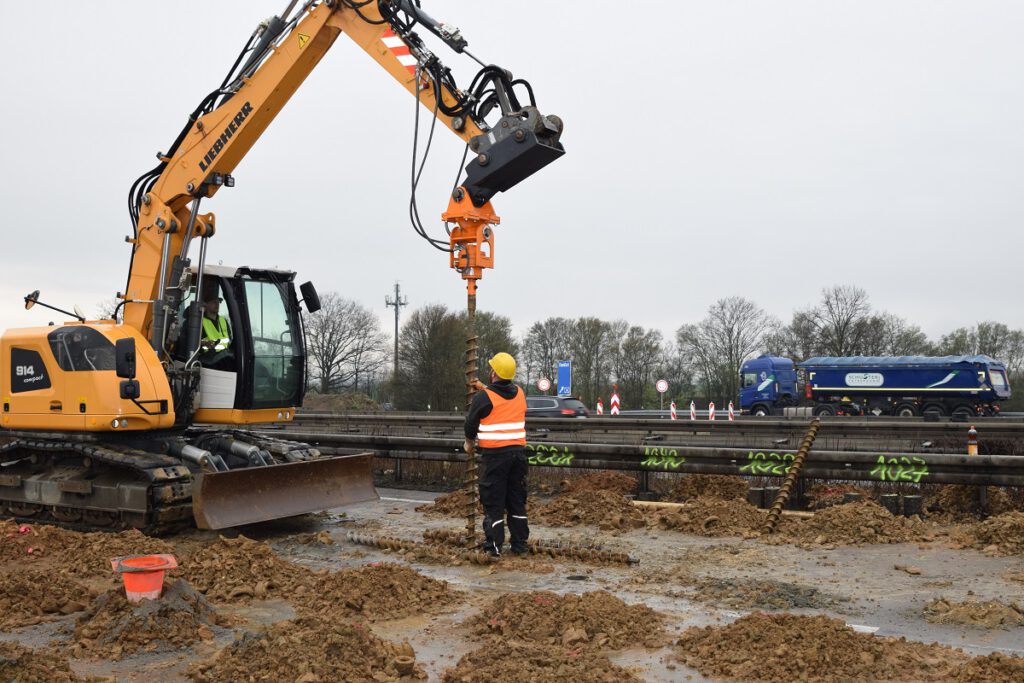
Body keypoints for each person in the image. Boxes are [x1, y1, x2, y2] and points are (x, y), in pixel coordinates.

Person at [464, 352, 529, 558]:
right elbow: (501, 400)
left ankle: (494, 547)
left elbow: (471, 424)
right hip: (518, 457)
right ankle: (520, 545)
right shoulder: (520, 393)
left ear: (493, 373)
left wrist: (468, 443)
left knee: (494, 501)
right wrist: (483, 387)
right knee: (516, 500)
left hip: (495, 458)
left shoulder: (484, 398)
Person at [200, 294, 232, 367]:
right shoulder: (200, 322)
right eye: (214, 302)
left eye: (218, 302)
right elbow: (193, 343)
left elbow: (229, 338)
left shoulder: (223, 320)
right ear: (206, 304)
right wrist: (204, 343)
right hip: (208, 359)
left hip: (224, 356)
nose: (217, 304)